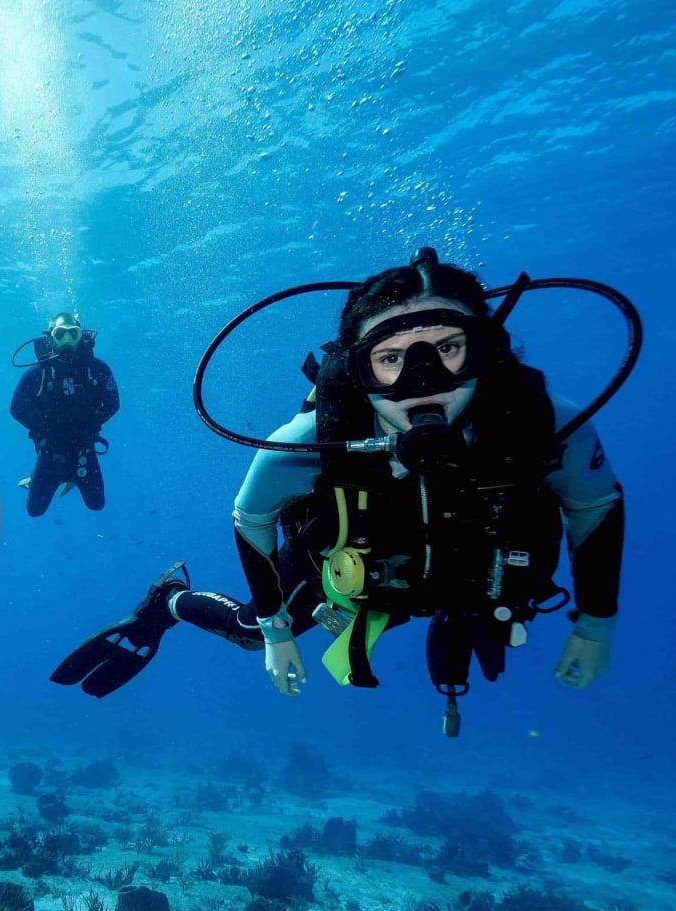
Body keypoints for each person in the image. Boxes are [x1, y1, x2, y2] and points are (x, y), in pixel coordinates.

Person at [51, 250, 625, 733]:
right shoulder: (310, 440)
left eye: (449, 348)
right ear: (358, 372)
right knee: (250, 633)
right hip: (346, 579)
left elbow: (594, 503)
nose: (423, 382)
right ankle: (167, 603)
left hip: (477, 577)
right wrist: (277, 633)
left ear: (488, 350)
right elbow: (250, 518)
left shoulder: (548, 423)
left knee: (472, 615)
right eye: (392, 359)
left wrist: (595, 622)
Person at [10, 312, 119, 516]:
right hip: (51, 451)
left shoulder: (98, 370)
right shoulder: (37, 374)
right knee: (34, 510)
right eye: (61, 335)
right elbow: (16, 409)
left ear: (82, 336)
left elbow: (113, 403)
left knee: (97, 504)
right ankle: (37, 477)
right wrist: (46, 429)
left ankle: (72, 478)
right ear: (50, 339)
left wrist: (90, 425)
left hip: (84, 449)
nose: (67, 341)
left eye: (73, 334)